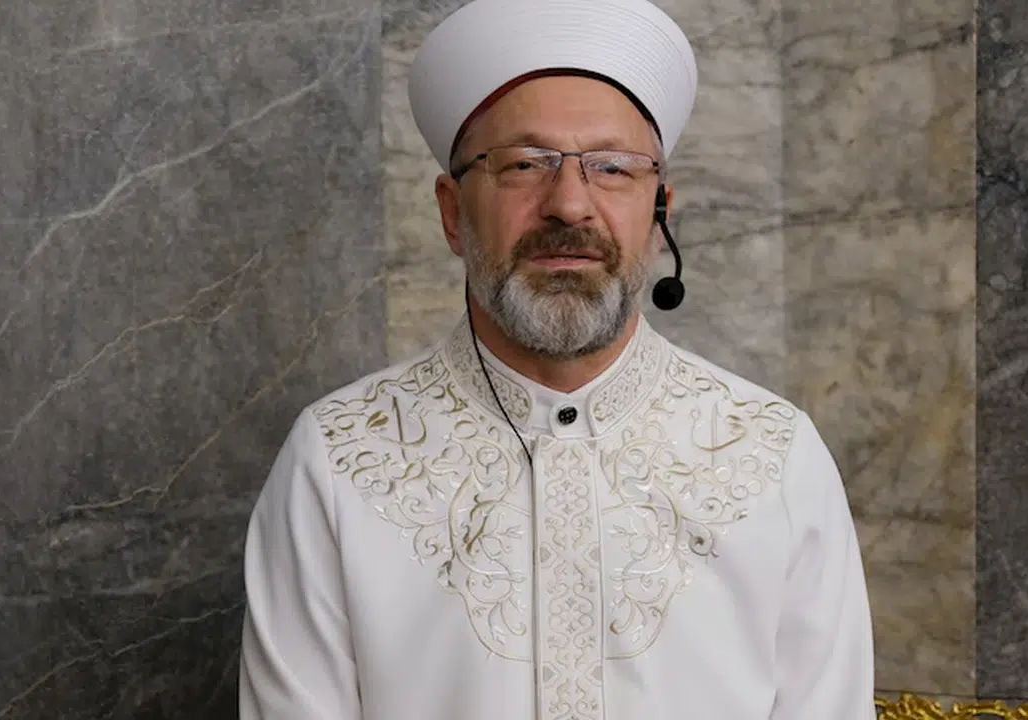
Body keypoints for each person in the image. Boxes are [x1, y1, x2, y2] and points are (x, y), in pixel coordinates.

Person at [237, 0, 876, 717]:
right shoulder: (337, 459)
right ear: (452, 212)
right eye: (524, 164)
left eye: (612, 168)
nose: (570, 204)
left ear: (658, 212)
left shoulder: (775, 454)